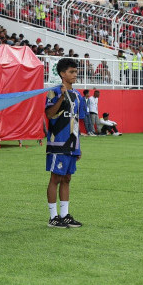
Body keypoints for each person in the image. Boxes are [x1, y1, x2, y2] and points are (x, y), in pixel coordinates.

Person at [44, 58, 84, 228]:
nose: (75, 75)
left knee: (67, 178)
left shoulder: (78, 95)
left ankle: (65, 215)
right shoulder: (53, 92)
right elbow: (49, 114)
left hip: (72, 144)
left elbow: (77, 121)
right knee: (55, 178)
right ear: (62, 74)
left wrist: (79, 146)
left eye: (75, 72)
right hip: (57, 142)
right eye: (71, 72)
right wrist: (61, 97)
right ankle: (53, 217)